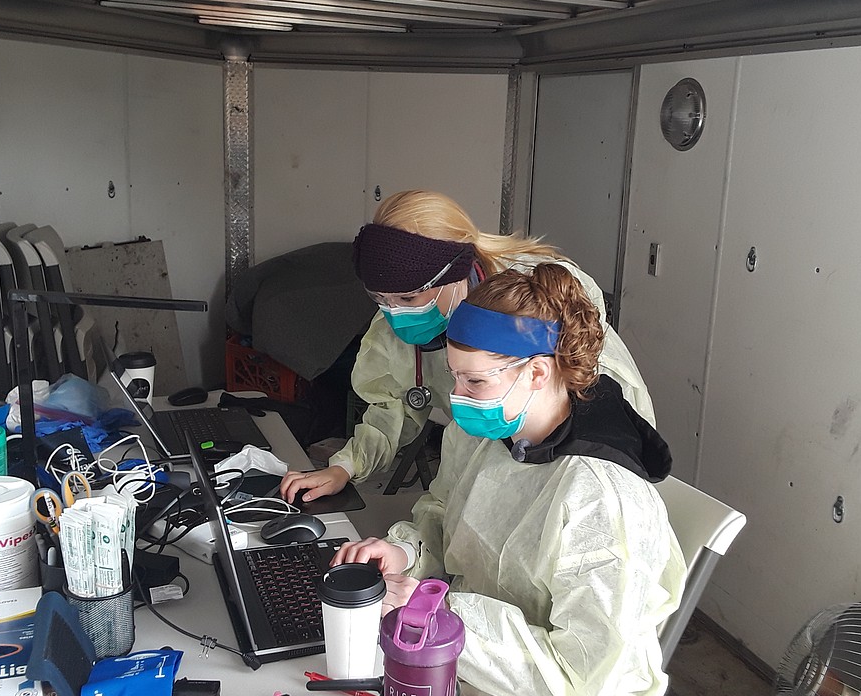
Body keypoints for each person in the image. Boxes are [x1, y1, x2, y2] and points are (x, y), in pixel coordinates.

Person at [332, 264, 686, 696]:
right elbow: (442, 509)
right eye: (454, 376)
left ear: (538, 373)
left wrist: (439, 617)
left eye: (475, 380)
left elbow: (580, 676)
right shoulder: (487, 427)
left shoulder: (601, 497)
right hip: (466, 652)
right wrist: (405, 552)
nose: (460, 394)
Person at [280, 189, 655, 503]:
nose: (394, 314)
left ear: (453, 275)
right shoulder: (399, 317)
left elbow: (582, 398)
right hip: (500, 461)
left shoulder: (534, 297)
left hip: (578, 460)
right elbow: (393, 404)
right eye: (380, 299)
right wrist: (345, 466)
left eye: (409, 298)